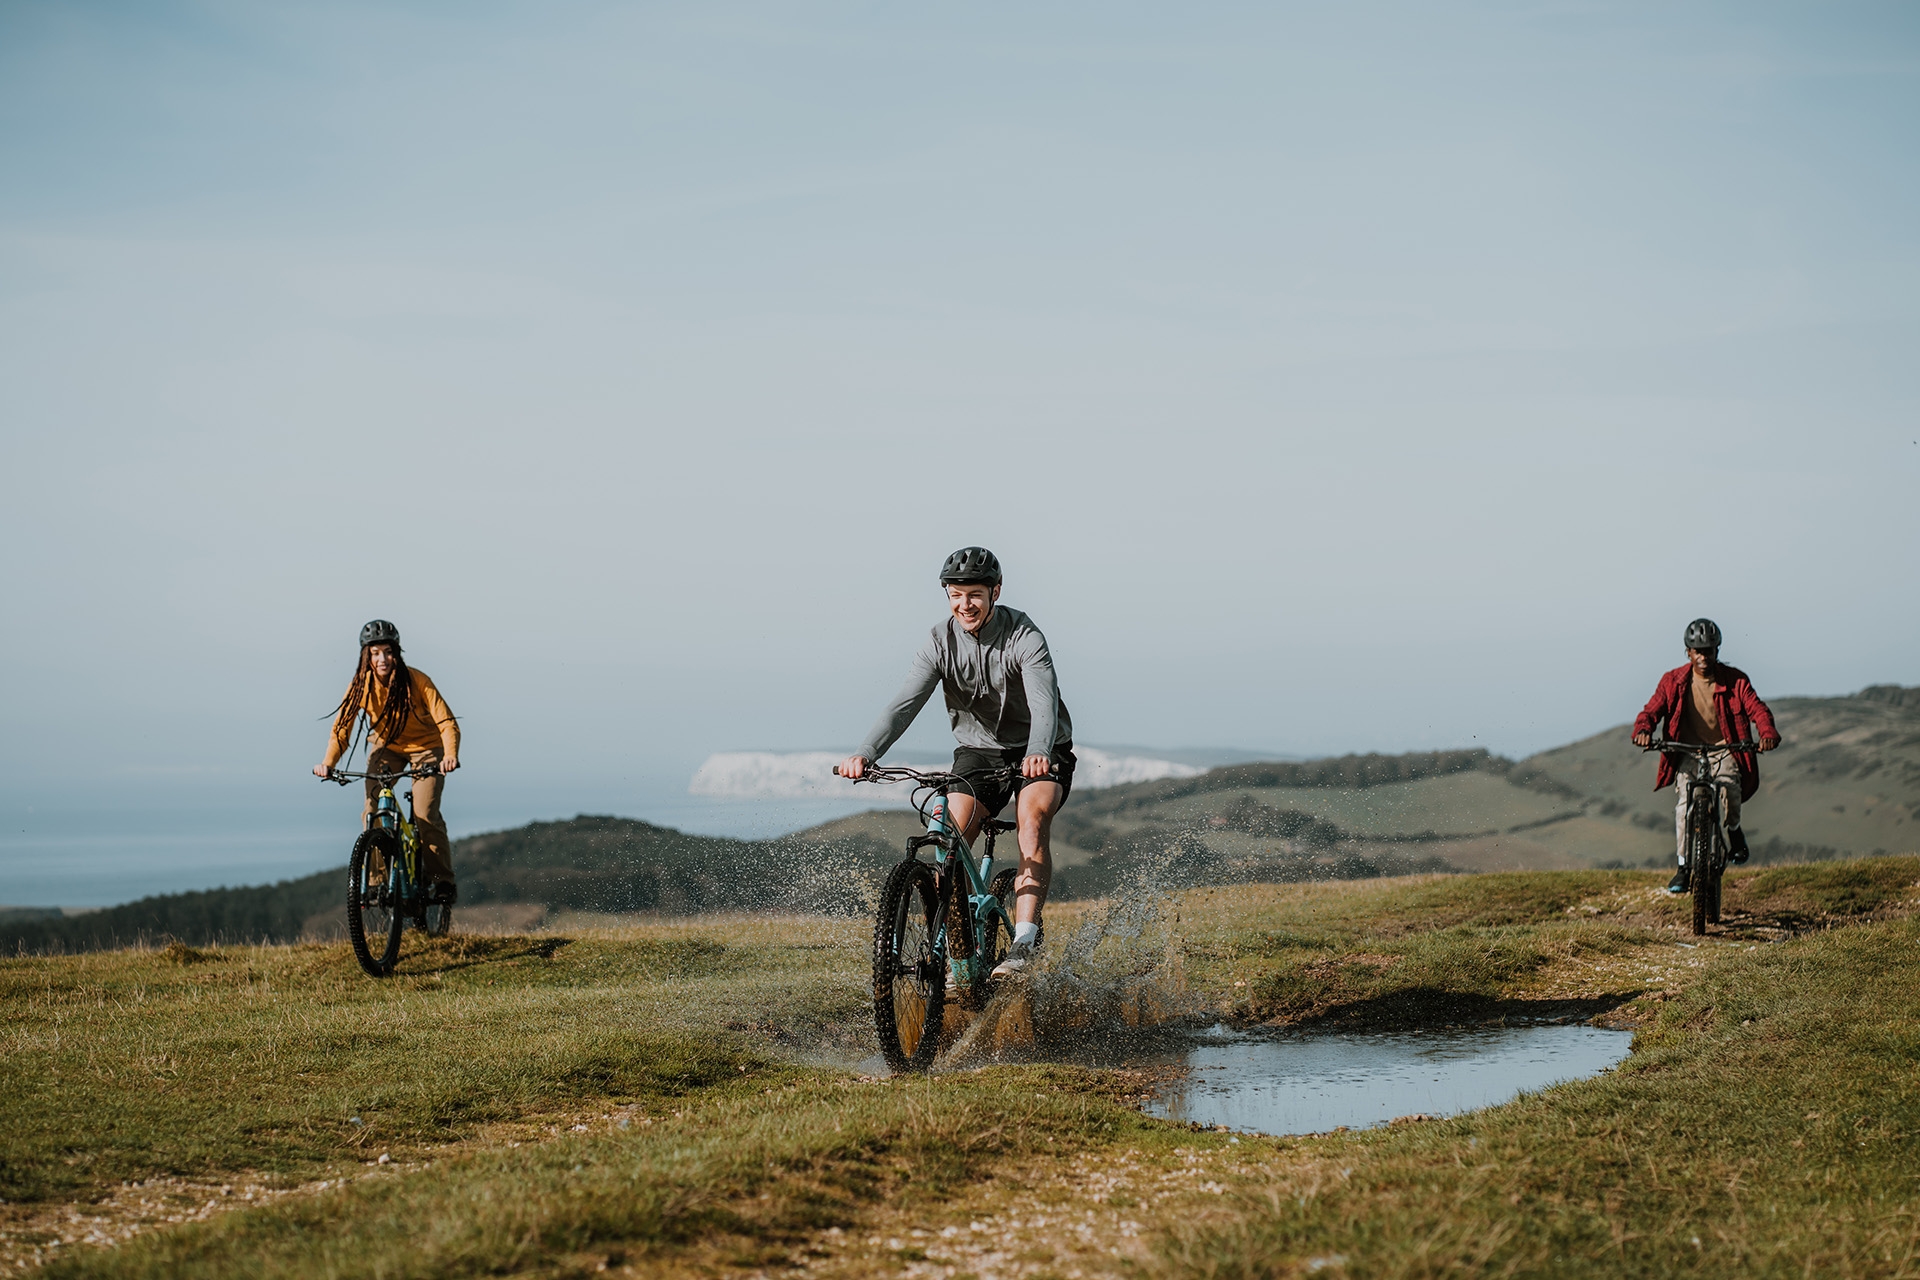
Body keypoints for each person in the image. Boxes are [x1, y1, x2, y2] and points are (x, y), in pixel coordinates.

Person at [836, 547, 1075, 978]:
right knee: (950, 836)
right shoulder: (938, 642)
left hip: (1041, 749)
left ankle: (1023, 942)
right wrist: (866, 753)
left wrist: (1038, 751)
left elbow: (1044, 703)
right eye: (956, 594)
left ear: (995, 592)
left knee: (1032, 820)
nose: (965, 604)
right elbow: (903, 705)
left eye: (975, 594)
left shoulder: (1024, 636)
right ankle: (955, 948)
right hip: (978, 753)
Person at [313, 620, 462, 902]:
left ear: (397, 653)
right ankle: (378, 882)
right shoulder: (361, 685)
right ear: (366, 657)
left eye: (388, 652)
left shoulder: (418, 681)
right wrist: (328, 762)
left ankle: (442, 882)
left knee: (425, 814)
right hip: (386, 748)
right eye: (375, 653)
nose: (382, 659)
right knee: (372, 811)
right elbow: (342, 729)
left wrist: (450, 755)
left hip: (427, 749)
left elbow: (446, 723)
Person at [1630, 618, 1779, 894]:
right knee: (1684, 804)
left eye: (1708, 650)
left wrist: (1767, 731)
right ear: (1688, 652)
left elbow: (1757, 709)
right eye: (1697, 651)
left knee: (1731, 790)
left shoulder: (1736, 681)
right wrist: (1643, 729)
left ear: (1717, 651)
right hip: (1687, 749)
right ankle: (1684, 867)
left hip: (1725, 747)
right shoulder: (1672, 681)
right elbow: (1652, 710)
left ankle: (1733, 830)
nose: (1703, 657)